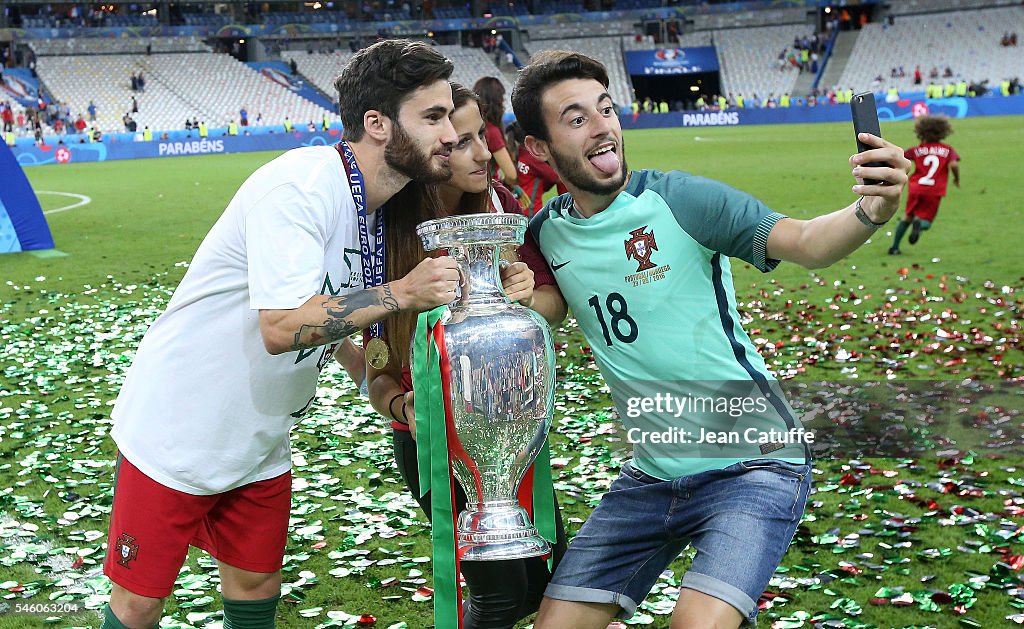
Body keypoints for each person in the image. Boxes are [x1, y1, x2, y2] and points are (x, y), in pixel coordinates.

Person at [510, 50, 910, 629]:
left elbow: (808, 243)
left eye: (606, 109)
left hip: (755, 466)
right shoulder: (546, 231)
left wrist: (874, 207)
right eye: (577, 119)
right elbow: (555, 304)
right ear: (539, 149)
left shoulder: (681, 200)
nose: (603, 128)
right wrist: (522, 294)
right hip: (649, 474)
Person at [99, 39, 463, 629]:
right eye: (433, 117)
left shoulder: (374, 206)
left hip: (263, 430)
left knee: (255, 580)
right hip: (182, 422)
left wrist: (385, 390)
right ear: (376, 124)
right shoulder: (300, 187)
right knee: (140, 600)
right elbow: (281, 327)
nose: (448, 134)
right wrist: (400, 293)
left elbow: (335, 322)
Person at [366, 82, 568, 629]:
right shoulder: (392, 236)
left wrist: (528, 298)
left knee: (545, 583)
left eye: (482, 134)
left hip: (513, 432)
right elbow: (377, 367)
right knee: (501, 596)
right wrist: (410, 412)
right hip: (438, 445)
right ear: (430, 149)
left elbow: (553, 305)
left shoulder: (502, 209)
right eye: (464, 141)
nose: (485, 151)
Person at [888, 115, 960, 254]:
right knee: (927, 221)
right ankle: (919, 225)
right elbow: (954, 165)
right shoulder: (947, 150)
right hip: (934, 190)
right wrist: (956, 178)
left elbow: (900, 158)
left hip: (916, 187)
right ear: (943, 132)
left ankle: (894, 247)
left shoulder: (916, 150)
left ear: (921, 132)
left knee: (907, 216)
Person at [506, 120, 567, 217]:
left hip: (518, 207)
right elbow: (556, 177)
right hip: (531, 210)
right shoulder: (533, 157)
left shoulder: (519, 154)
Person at [472, 76, 520, 195]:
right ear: (497, 102)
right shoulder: (491, 131)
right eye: (502, 100)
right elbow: (511, 174)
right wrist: (503, 184)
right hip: (487, 192)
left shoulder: (471, 127)